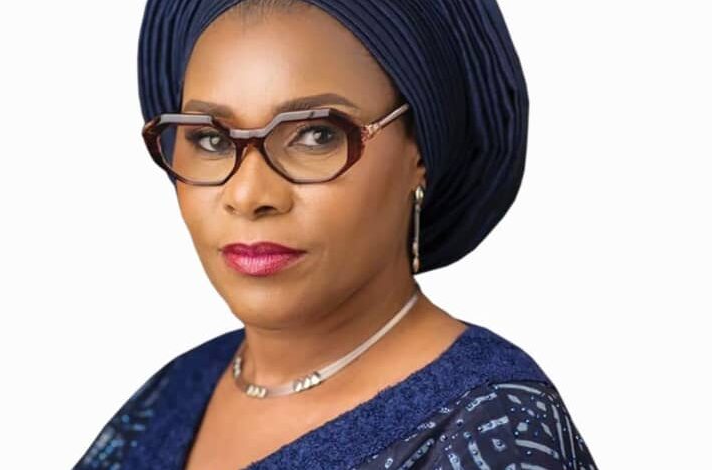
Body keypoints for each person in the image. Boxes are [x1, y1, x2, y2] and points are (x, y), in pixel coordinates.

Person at [74, 0, 598, 468]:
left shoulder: (496, 429)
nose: (249, 194)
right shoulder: (170, 396)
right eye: (210, 139)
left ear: (419, 151)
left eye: (316, 134)